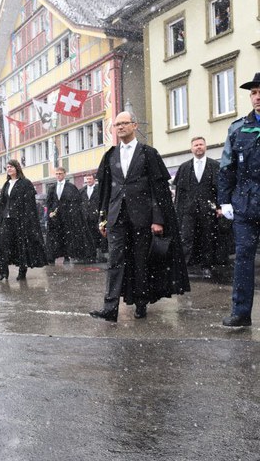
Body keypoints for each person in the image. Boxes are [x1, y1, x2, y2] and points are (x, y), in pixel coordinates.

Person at [90, 111, 189, 322]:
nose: (120, 127)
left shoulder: (148, 153)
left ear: (135, 125)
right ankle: (110, 308)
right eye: (117, 125)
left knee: (141, 260)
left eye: (124, 123)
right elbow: (106, 190)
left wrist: (158, 219)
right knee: (115, 261)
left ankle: (141, 302)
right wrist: (103, 218)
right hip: (117, 217)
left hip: (143, 217)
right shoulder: (110, 155)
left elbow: (157, 189)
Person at [218, 72, 260, 327]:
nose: (258, 97)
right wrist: (224, 202)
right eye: (254, 93)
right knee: (243, 258)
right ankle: (241, 312)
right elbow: (226, 168)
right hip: (245, 205)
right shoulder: (238, 129)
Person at [173, 136, 222, 278]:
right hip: (188, 210)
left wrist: (220, 207)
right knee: (186, 238)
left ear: (205, 147)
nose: (198, 147)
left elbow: (220, 189)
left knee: (208, 238)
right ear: (191, 148)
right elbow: (180, 193)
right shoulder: (184, 167)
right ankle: (185, 267)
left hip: (208, 209)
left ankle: (207, 267)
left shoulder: (214, 166)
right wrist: (178, 211)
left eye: (201, 144)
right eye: (196, 145)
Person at [0, 159, 47, 280]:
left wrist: (27, 219)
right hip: (6, 219)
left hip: (20, 220)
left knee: (20, 245)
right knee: (3, 244)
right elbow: (3, 203)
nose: (9, 169)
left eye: (11, 167)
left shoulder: (25, 183)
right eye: (7, 167)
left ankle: (22, 272)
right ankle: (3, 272)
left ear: (17, 168)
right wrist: (1, 217)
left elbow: (29, 204)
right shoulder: (6, 184)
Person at [46, 166, 95, 264]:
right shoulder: (52, 187)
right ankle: (53, 256)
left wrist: (71, 213)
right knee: (55, 237)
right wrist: (50, 212)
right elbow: (49, 202)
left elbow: (76, 202)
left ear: (64, 174)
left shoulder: (71, 187)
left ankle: (67, 256)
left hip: (67, 218)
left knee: (67, 237)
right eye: (57, 174)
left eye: (60, 174)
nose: (58, 175)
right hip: (55, 218)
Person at [79, 173, 107, 263]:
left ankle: (100, 254)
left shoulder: (99, 189)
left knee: (98, 235)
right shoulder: (82, 190)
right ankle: (90, 254)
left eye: (90, 179)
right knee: (88, 235)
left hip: (97, 216)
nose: (88, 181)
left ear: (94, 179)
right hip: (86, 217)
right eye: (87, 179)